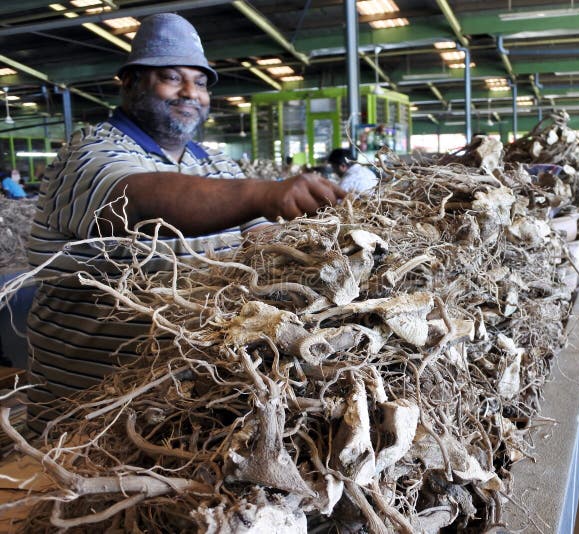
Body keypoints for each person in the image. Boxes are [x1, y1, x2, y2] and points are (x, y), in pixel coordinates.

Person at [25, 13, 345, 431]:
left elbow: (261, 239)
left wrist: (321, 247)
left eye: (200, 82)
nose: (190, 92)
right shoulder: (88, 152)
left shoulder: (214, 163)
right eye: (172, 78)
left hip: (182, 402)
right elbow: (139, 201)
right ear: (131, 83)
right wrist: (263, 193)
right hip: (90, 412)